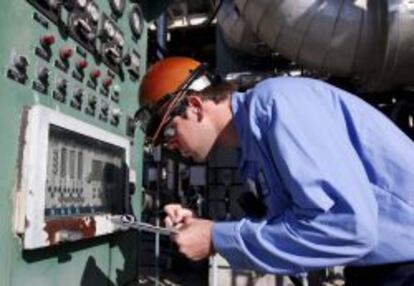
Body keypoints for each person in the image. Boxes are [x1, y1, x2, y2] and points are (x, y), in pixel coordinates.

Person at [135, 56, 414, 286]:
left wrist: (215, 237)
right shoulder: (252, 150)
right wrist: (203, 226)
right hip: (378, 263)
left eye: (169, 130)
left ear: (195, 107)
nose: (170, 145)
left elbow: (350, 228)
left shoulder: (277, 104)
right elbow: (298, 227)